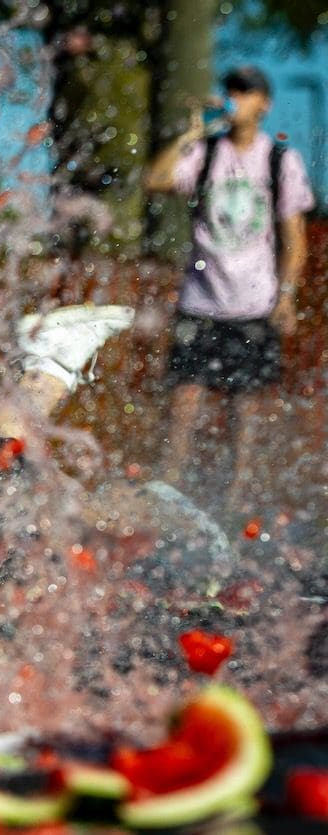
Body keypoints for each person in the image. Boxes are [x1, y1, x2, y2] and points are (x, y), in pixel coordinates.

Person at [143, 65, 315, 508]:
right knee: (182, 407)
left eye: (246, 91)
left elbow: (294, 237)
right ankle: (168, 497)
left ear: (265, 103)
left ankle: (235, 504)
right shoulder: (203, 154)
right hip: (200, 302)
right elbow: (154, 181)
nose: (236, 98)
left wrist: (288, 296)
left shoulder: (279, 161)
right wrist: (190, 135)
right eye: (232, 90)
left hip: (254, 305)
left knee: (246, 412)